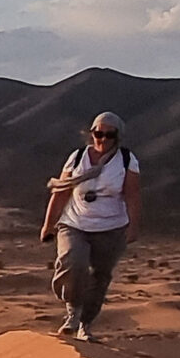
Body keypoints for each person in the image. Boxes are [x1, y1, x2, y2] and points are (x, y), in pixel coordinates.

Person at [39, 111, 141, 341]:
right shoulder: (77, 157)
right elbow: (61, 191)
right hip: (75, 222)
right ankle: (73, 310)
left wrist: (133, 226)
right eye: (98, 133)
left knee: (100, 276)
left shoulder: (126, 160)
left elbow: (133, 195)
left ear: (117, 136)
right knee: (73, 263)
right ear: (91, 133)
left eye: (108, 134)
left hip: (112, 227)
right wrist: (48, 224)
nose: (102, 139)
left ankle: (86, 324)